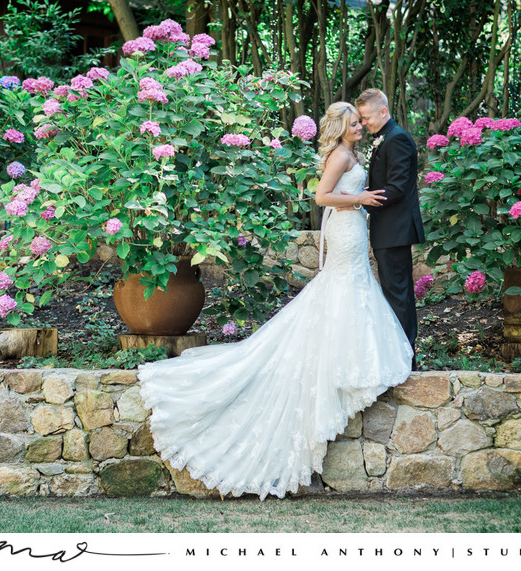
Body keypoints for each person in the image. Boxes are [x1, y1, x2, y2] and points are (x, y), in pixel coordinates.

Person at [138, 102, 413, 500]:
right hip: (346, 228)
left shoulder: (352, 152)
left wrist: (360, 200)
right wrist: (359, 200)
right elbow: (321, 197)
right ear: (339, 127)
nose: (359, 127)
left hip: (353, 229)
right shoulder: (339, 154)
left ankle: (345, 354)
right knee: (343, 287)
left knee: (351, 288)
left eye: (359, 122)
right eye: (353, 123)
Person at [354, 89, 425, 366]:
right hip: (388, 229)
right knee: (395, 291)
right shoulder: (385, 138)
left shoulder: (398, 140)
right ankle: (401, 352)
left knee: (398, 293)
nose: (363, 124)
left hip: (395, 230)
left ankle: (405, 355)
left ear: (383, 112)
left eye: (367, 117)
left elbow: (396, 188)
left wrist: (361, 203)